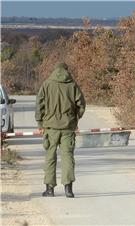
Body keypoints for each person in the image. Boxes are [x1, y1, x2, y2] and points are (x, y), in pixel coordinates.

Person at [35, 61, 86, 198]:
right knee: (68, 157)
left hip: (50, 128)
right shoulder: (72, 85)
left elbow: (39, 104)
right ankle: (68, 190)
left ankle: (49, 189)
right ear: (66, 70)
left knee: (50, 157)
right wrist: (76, 119)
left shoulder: (47, 84)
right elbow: (81, 104)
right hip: (68, 127)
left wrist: (40, 123)